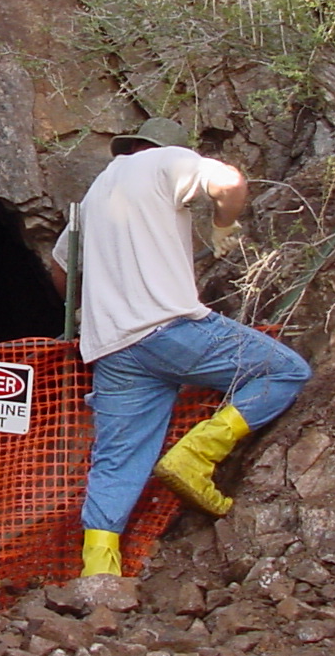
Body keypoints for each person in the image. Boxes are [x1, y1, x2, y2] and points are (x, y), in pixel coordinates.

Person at [51, 118, 311, 577]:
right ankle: (196, 456)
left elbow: (60, 269)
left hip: (113, 349)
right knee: (284, 370)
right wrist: (222, 226)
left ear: (127, 147)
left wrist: (88, 311)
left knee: (117, 461)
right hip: (169, 328)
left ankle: (98, 576)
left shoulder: (93, 195)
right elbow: (231, 183)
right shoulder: (166, 160)